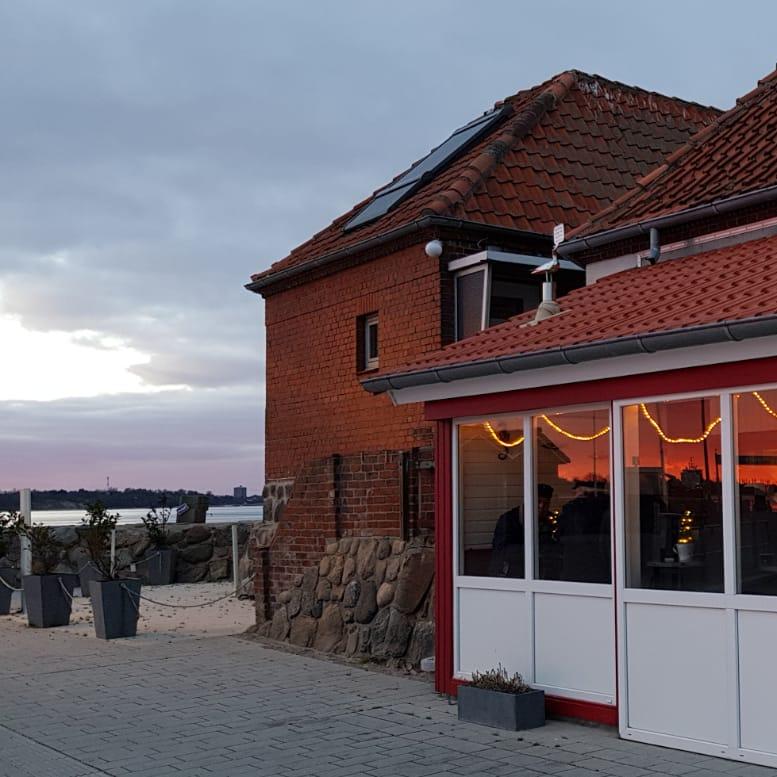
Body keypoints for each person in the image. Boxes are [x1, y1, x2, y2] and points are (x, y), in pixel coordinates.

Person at [489, 484, 555, 578]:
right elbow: (501, 550)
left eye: (546, 503)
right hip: (514, 573)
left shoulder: (551, 519)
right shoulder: (509, 520)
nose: (541, 506)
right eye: (538, 501)